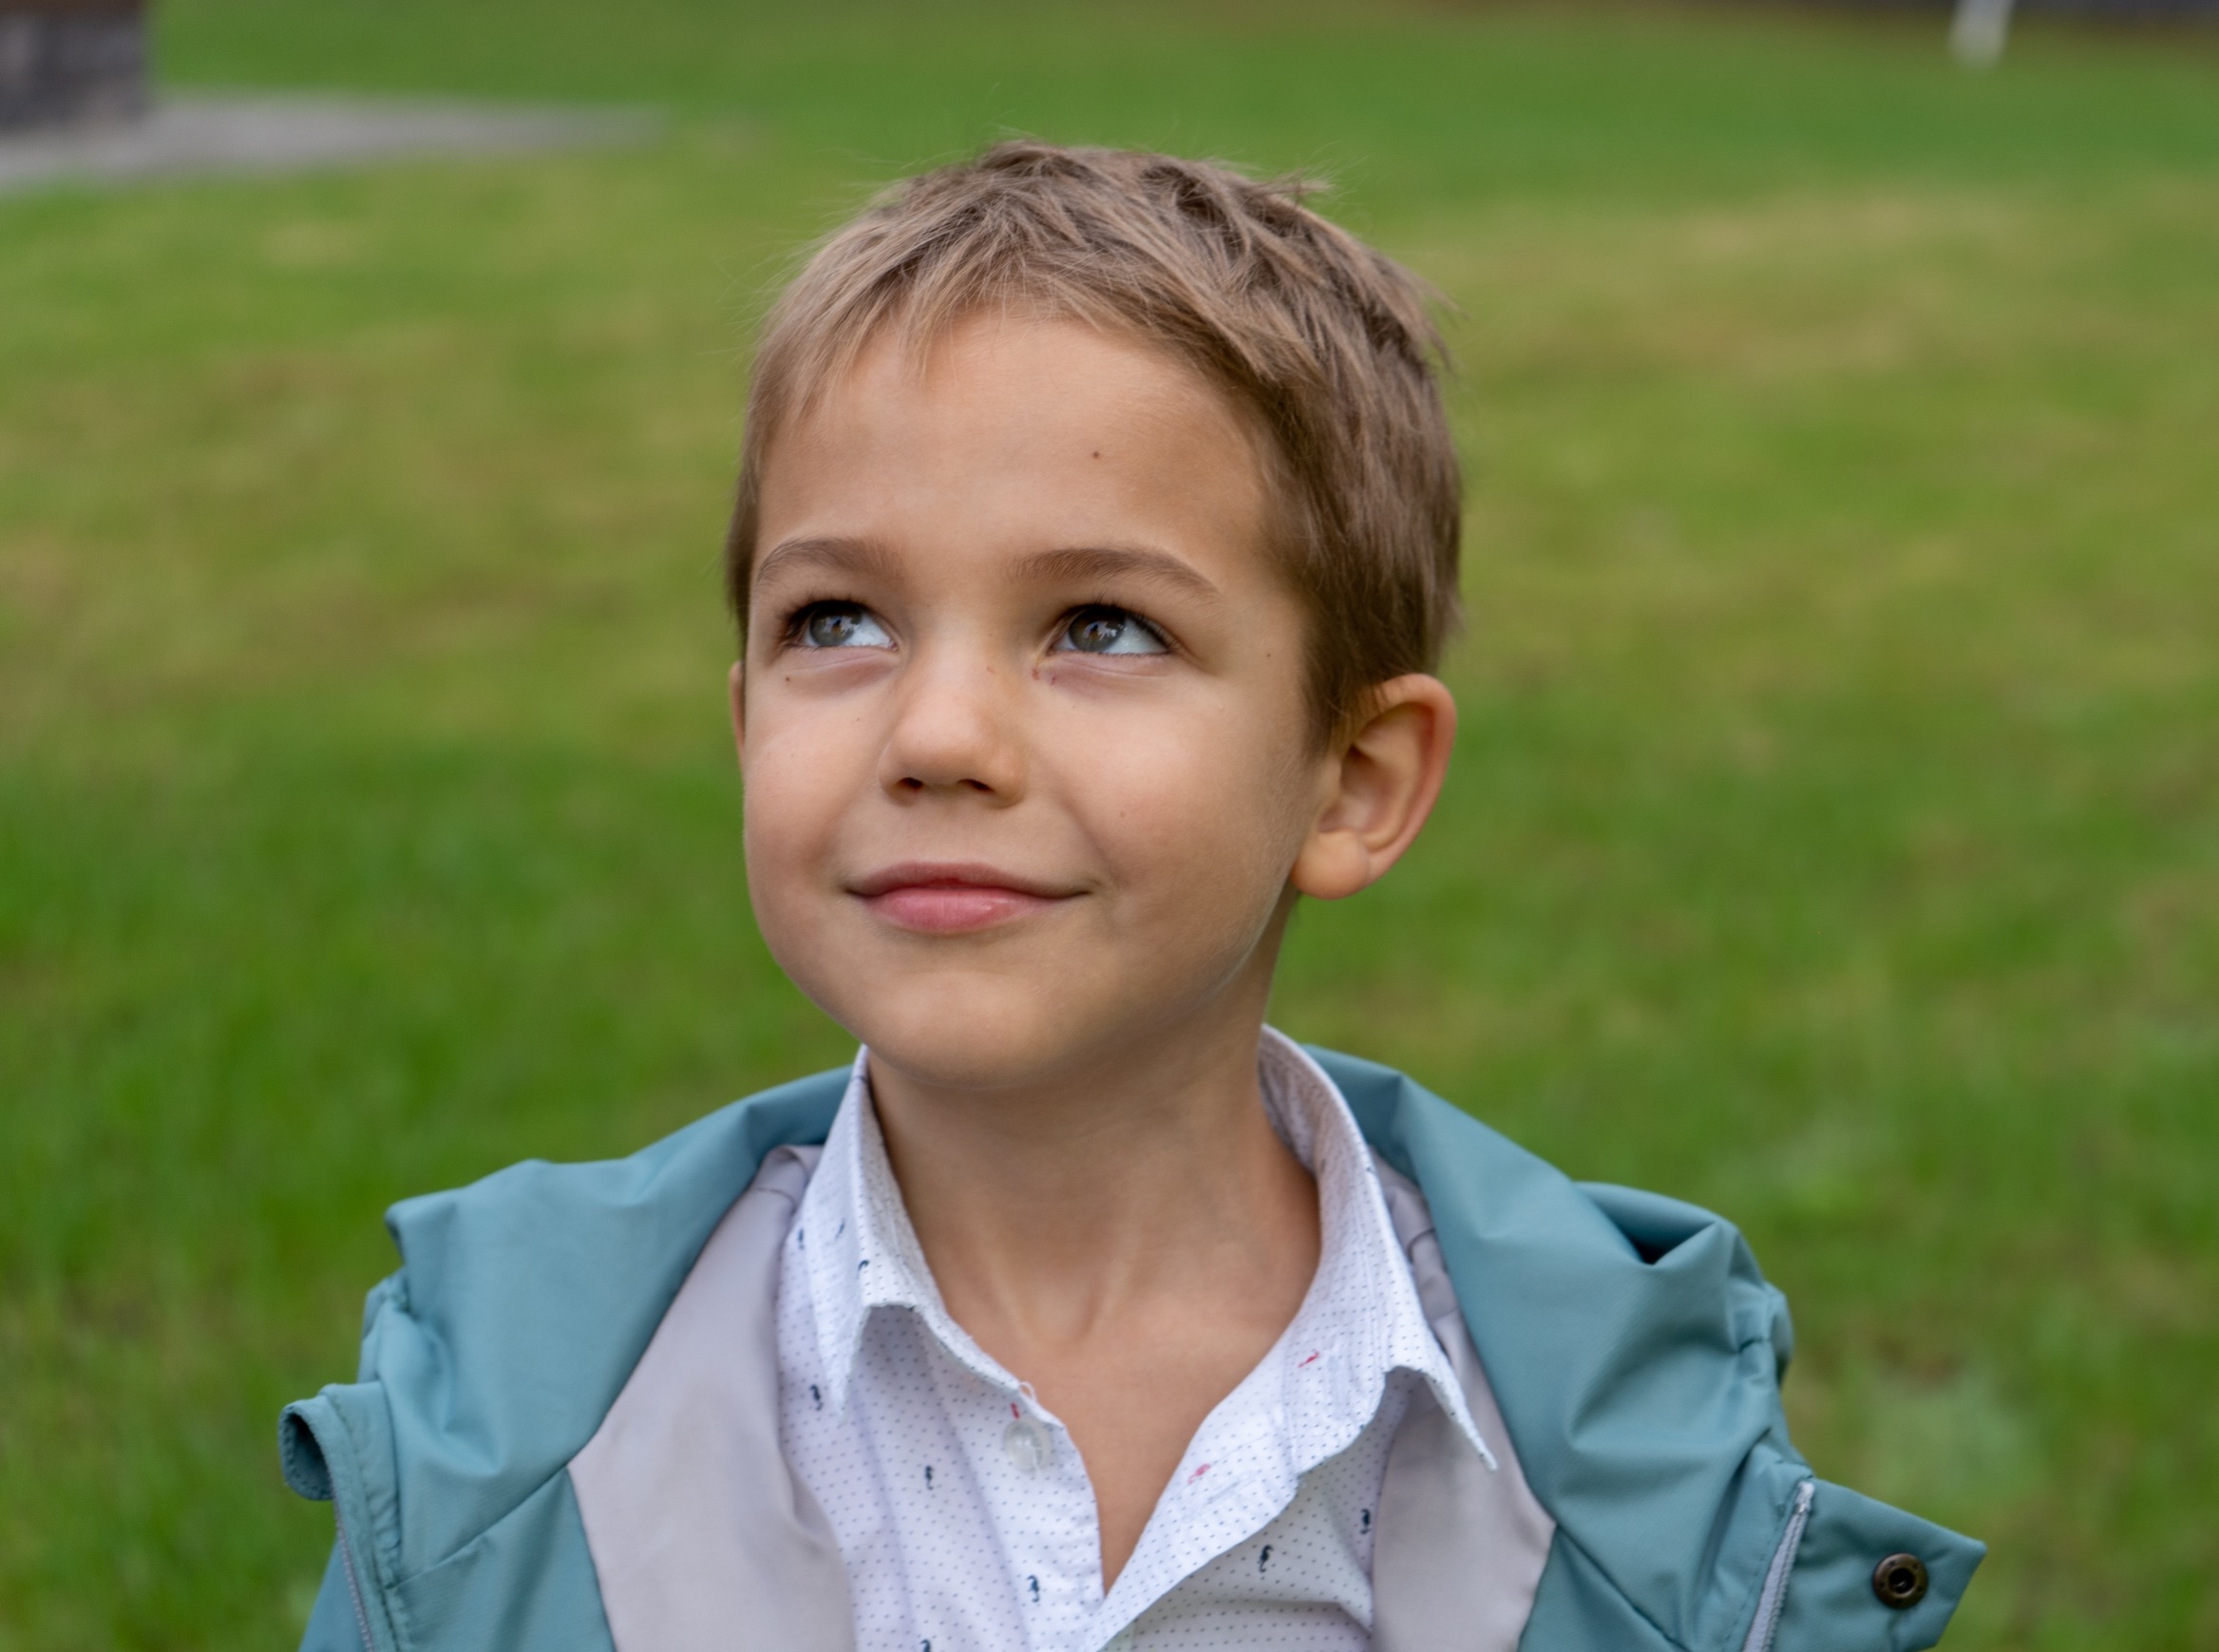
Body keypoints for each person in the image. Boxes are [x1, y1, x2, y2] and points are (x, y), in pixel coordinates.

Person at [279, 142, 1982, 1652]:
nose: (937, 736)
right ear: (743, 724)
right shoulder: (508, 1439)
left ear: (1352, 779)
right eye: (837, 622)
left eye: (1101, 627)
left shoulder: (1615, 1466)